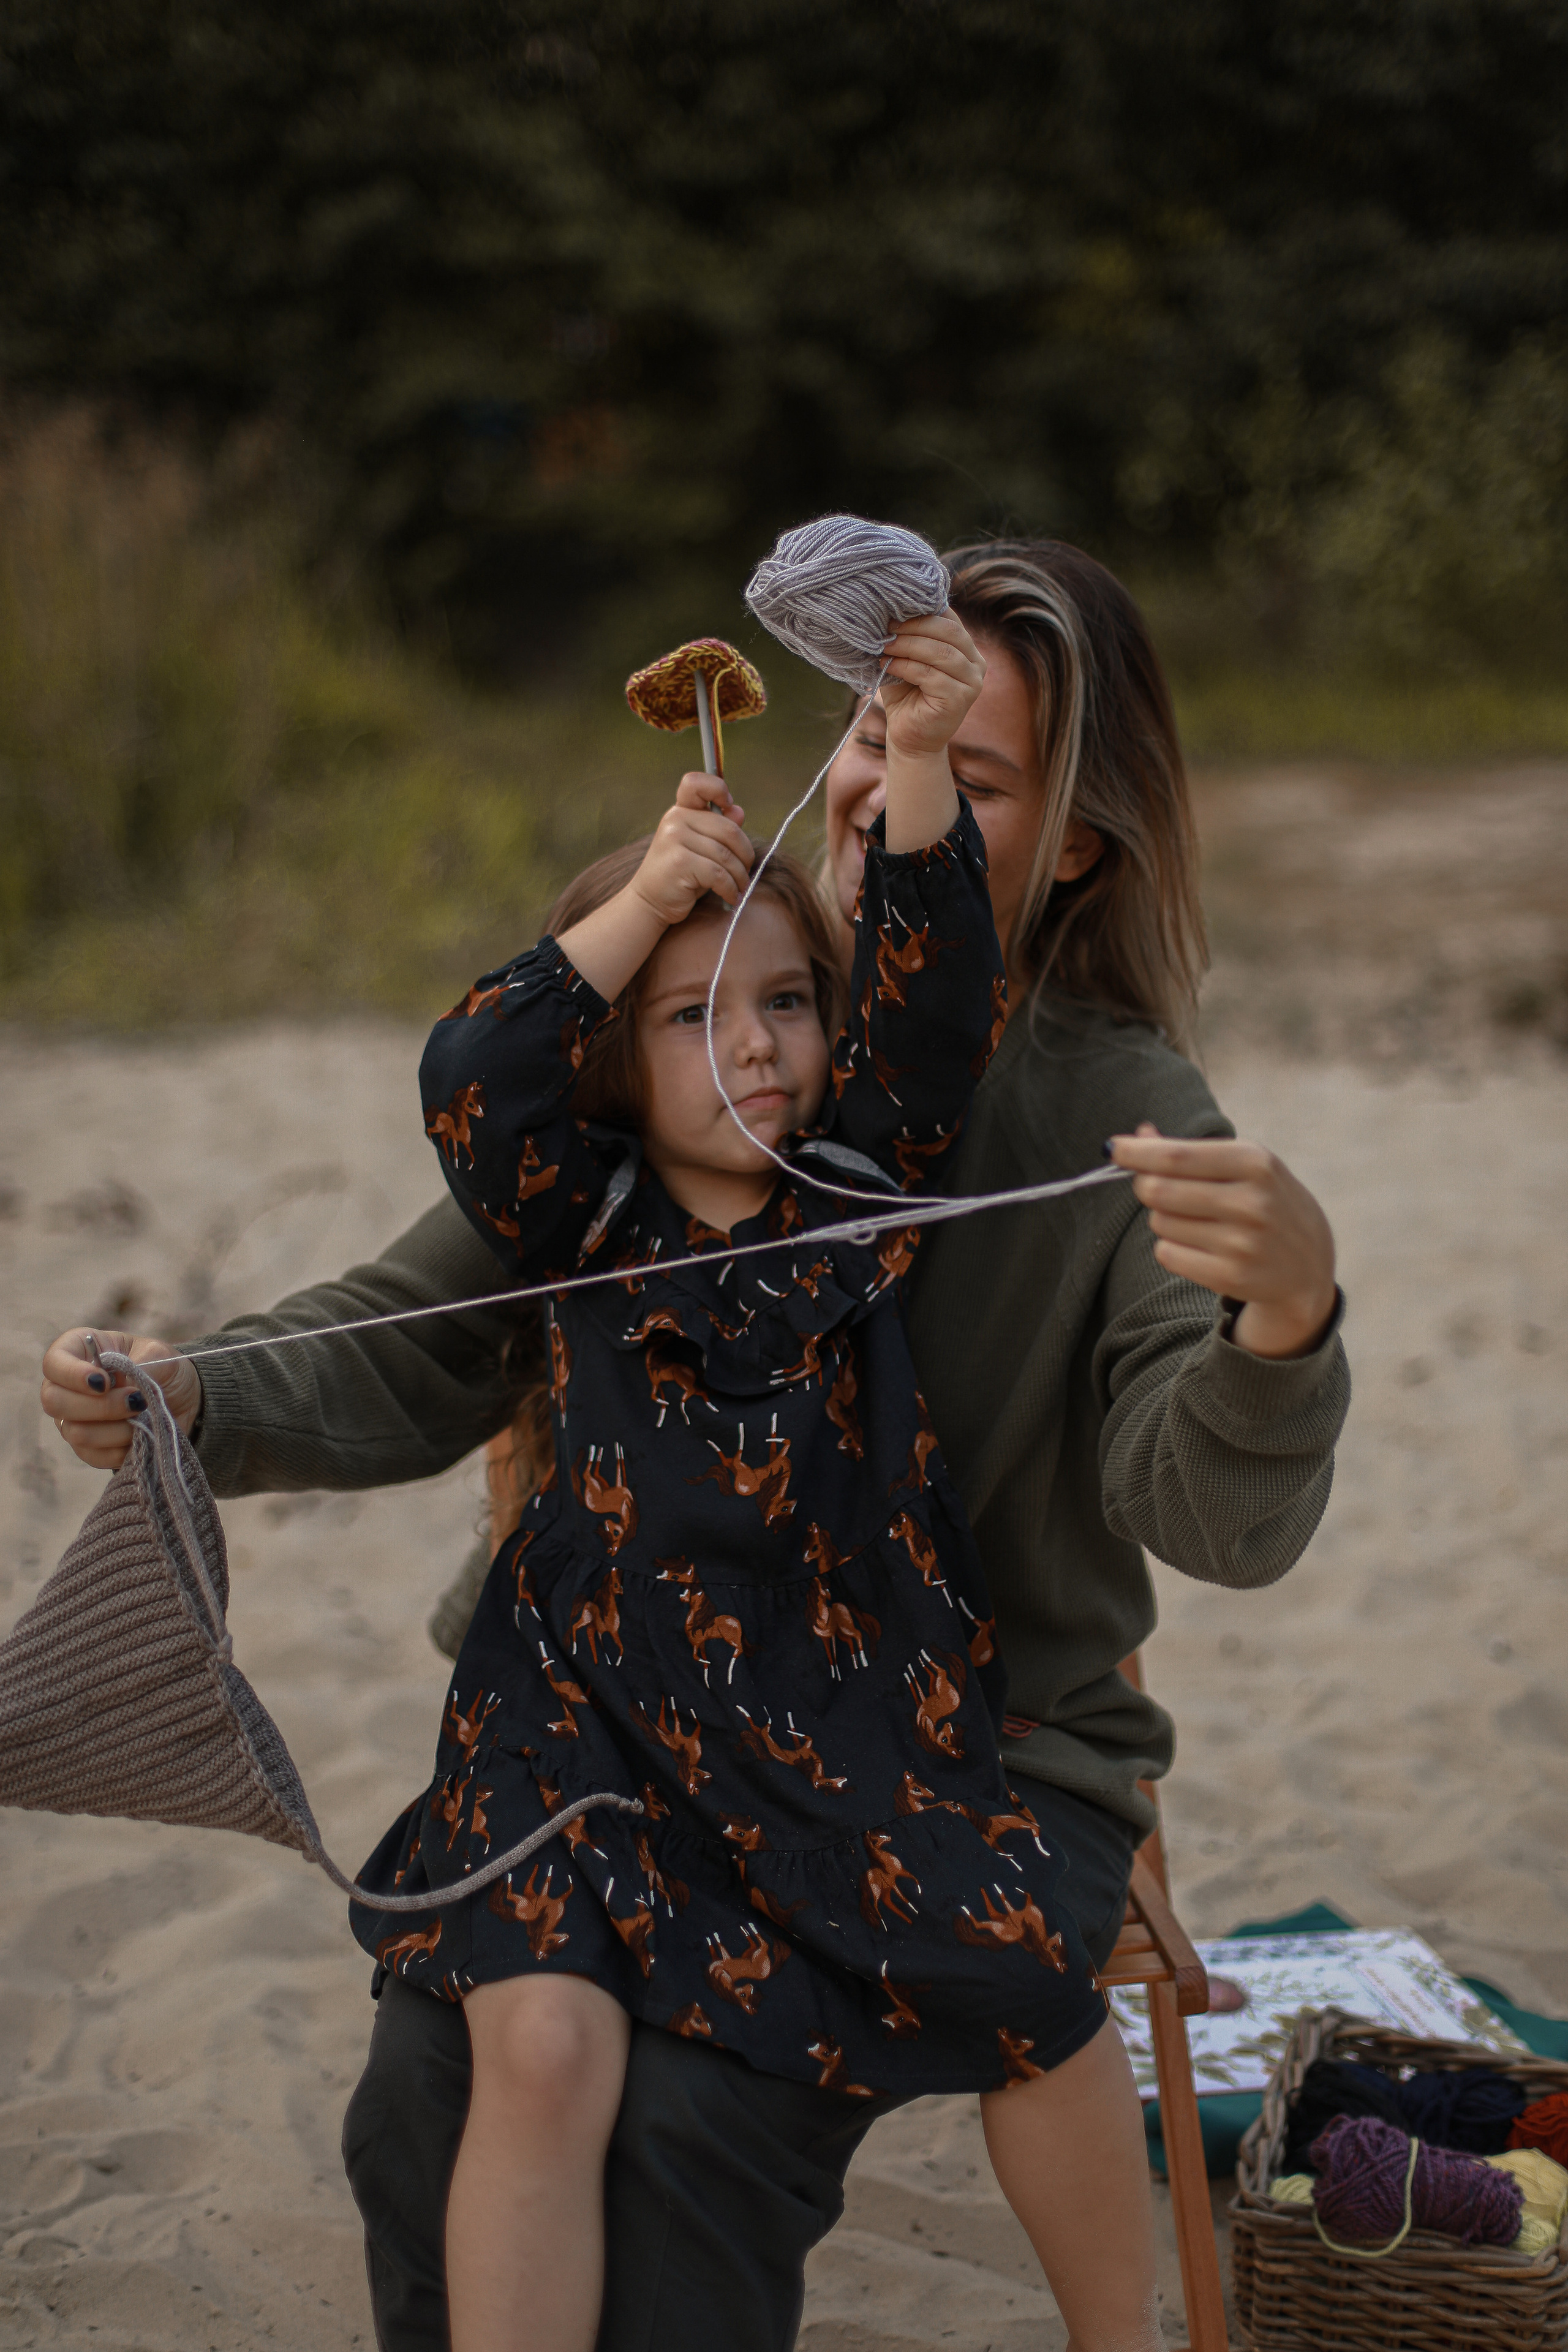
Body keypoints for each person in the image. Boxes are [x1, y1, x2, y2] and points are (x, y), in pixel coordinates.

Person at [41, 537, 1350, 2352]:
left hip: (951, 1749)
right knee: (429, 2088)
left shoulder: (1062, 1111)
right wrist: (193, 1397)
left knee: (680, 2131)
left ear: (1077, 845)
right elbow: (426, 1322)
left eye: (964, 774)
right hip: (621, 1730)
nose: (886, 792)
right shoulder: (727, 1007)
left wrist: (1284, 1324)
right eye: (880, 735)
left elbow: (1202, 1500)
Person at [374, 604, 1170, 2352]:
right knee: (545, 2038)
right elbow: (470, 1079)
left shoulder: (858, 1181)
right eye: (689, 1018)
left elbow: (937, 983)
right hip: (580, 1718)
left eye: (785, 1002)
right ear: (612, 1057)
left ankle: (1139, 2336)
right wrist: (655, 896)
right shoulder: (573, 1211)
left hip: (832, 1709)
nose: (749, 1049)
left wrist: (915, 780)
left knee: (1033, 1981)